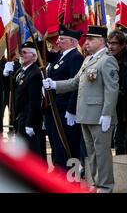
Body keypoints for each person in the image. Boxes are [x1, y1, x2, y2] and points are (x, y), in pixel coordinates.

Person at [43, 25, 119, 193]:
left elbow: (111, 90)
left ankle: (106, 186)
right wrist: (55, 84)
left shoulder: (107, 60)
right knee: (91, 153)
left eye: (91, 39)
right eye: (87, 39)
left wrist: (107, 114)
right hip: (85, 114)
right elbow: (75, 82)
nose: (86, 43)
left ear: (101, 41)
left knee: (102, 153)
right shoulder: (88, 60)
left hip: (99, 115)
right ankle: (96, 183)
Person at [44, 25, 84, 170]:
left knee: (69, 144)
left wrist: (71, 109)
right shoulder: (61, 56)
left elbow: (76, 85)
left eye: (62, 39)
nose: (58, 41)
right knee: (58, 144)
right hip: (55, 108)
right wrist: (38, 36)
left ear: (73, 42)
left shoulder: (75, 58)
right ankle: (59, 172)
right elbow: (45, 55)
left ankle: (71, 178)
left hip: (66, 109)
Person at [3, 42, 44, 158]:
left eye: (25, 52)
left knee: (32, 152)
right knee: (23, 153)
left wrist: (30, 123)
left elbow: (35, 101)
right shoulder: (21, 71)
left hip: (28, 118)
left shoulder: (34, 73)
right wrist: (6, 74)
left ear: (33, 56)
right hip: (19, 117)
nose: (22, 55)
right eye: (21, 52)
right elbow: (10, 89)